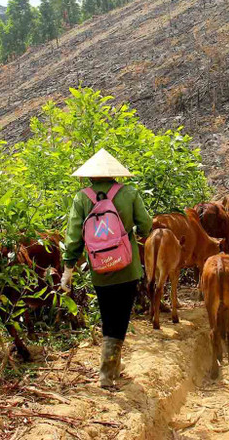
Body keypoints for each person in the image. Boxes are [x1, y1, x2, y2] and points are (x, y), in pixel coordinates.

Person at [60, 149, 152, 389]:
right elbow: (146, 225)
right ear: (114, 174)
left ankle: (111, 370)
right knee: (120, 319)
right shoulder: (129, 193)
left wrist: (68, 269)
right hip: (127, 267)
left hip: (100, 269)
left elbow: (73, 238)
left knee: (108, 317)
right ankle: (107, 374)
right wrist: (136, 234)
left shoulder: (82, 198)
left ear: (89, 176)